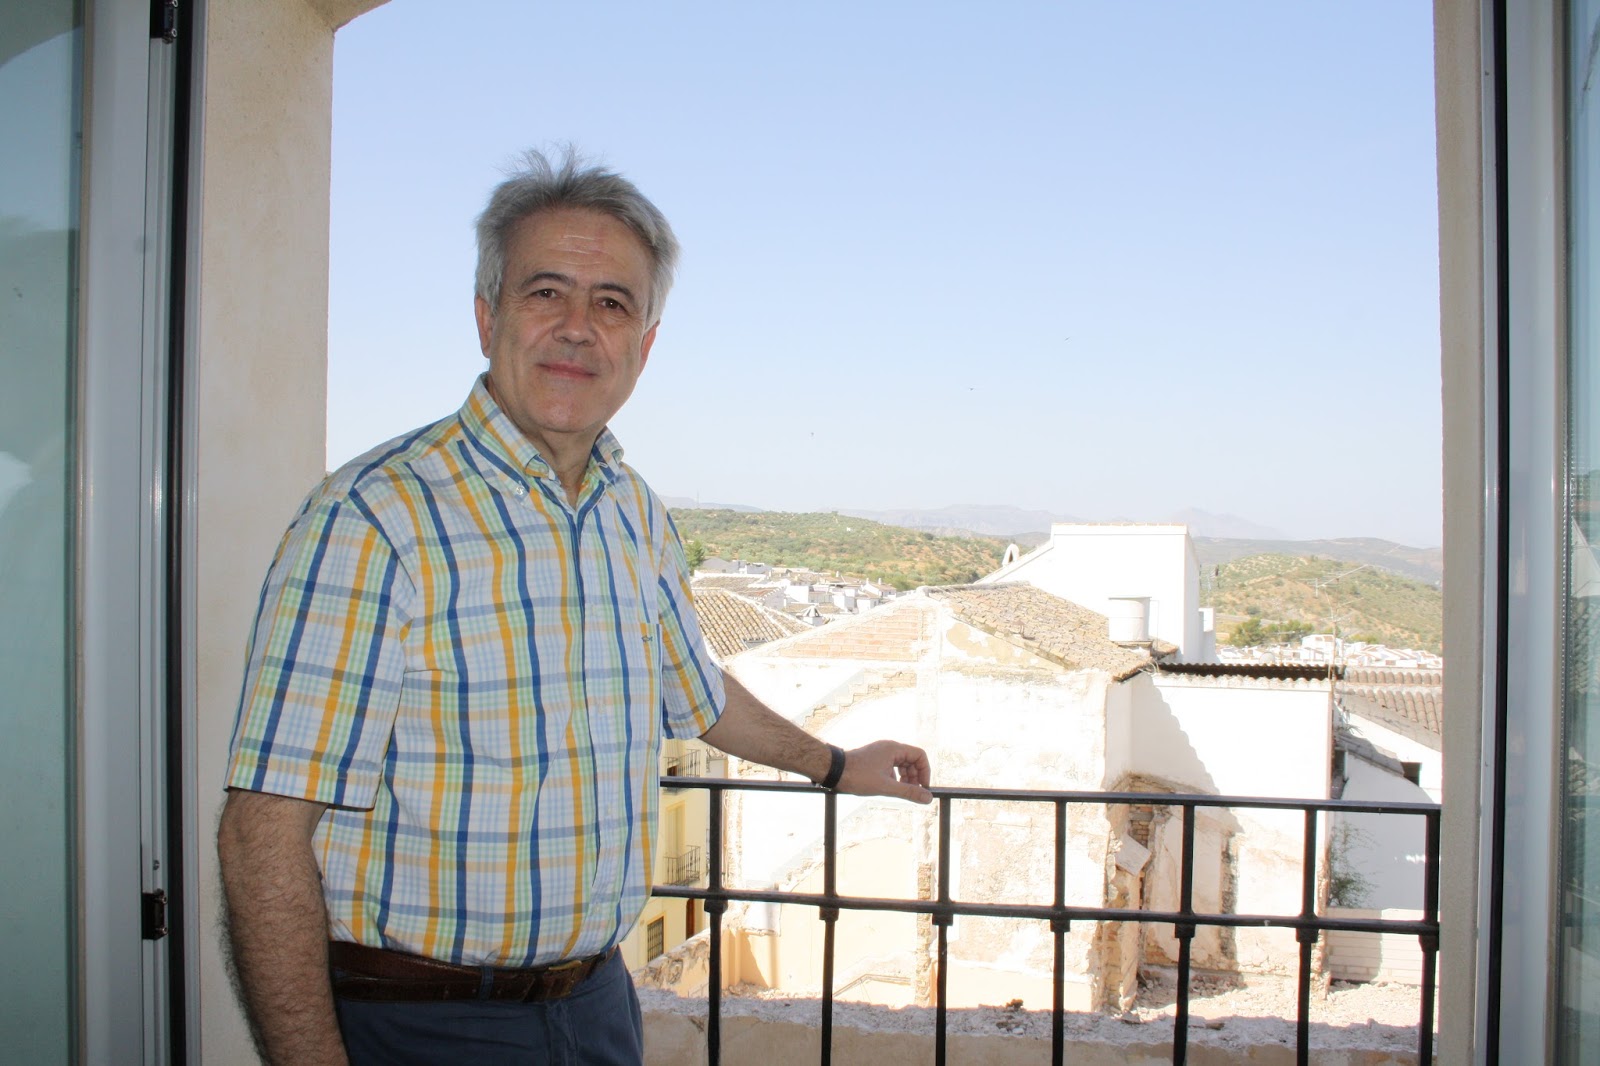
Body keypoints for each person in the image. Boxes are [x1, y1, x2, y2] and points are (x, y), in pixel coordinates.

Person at [216, 148, 933, 1066]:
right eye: (545, 292)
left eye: (612, 303)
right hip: (425, 1024)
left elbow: (696, 691)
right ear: (487, 317)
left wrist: (834, 765)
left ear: (645, 344)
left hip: (596, 1007)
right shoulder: (376, 517)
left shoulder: (632, 512)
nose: (577, 329)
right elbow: (263, 833)